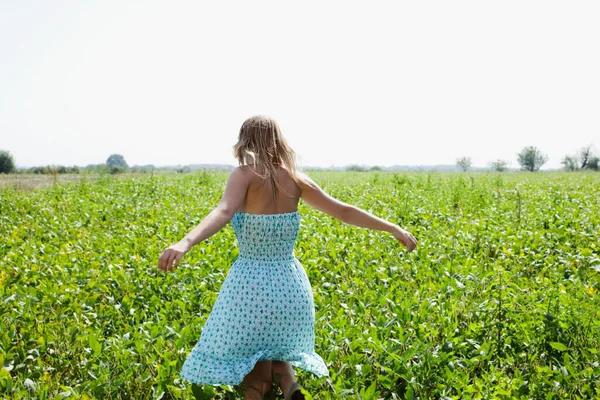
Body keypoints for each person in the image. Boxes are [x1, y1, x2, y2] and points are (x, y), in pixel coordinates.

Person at [157, 115, 417, 400]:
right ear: (278, 141)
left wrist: (185, 242)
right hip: (290, 286)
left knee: (254, 370)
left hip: (250, 285)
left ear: (244, 141)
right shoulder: (295, 178)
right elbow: (344, 211)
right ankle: (290, 387)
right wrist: (393, 227)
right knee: (277, 351)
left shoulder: (244, 175)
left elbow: (223, 212)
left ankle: (276, 390)